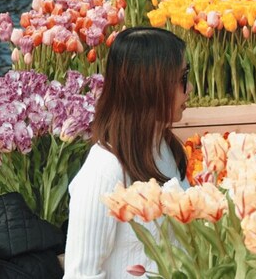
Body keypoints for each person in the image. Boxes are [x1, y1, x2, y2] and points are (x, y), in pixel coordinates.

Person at [64, 27, 191, 278]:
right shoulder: (103, 173)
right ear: (150, 86)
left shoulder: (164, 147)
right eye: (183, 78)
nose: (190, 89)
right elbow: (82, 275)